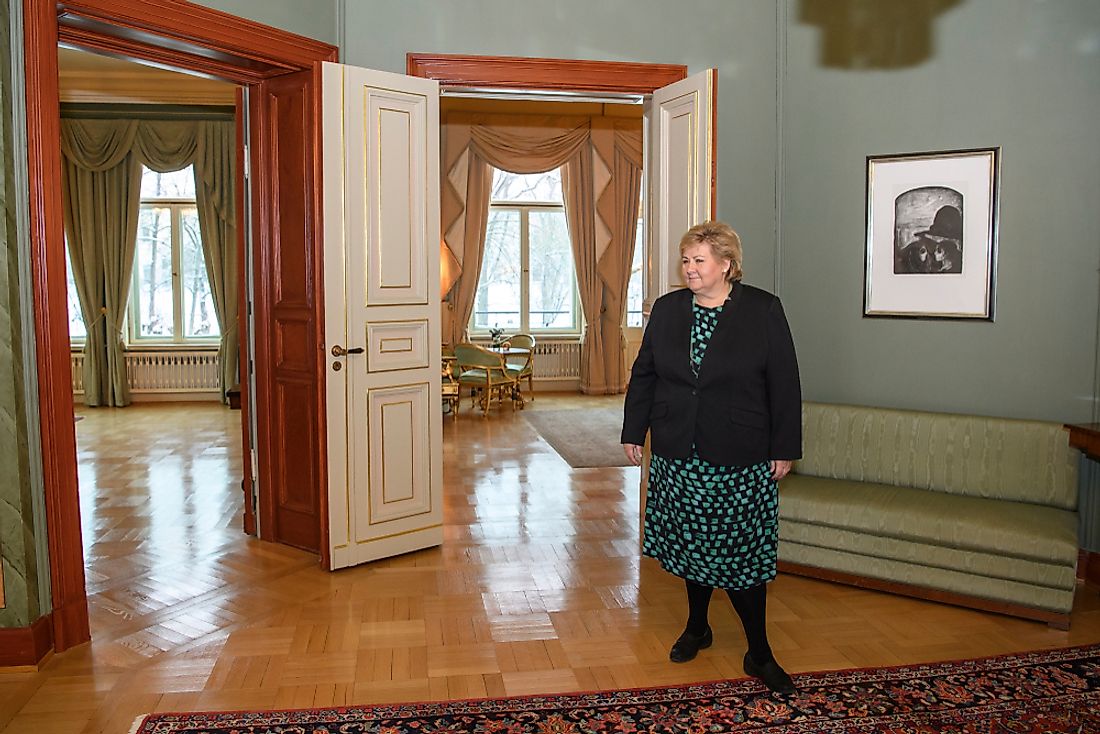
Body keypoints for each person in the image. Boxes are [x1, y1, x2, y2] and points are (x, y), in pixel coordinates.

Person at [621, 221, 802, 695]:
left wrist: (784, 446)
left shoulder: (762, 310)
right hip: (680, 449)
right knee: (691, 547)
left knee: (739, 557)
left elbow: (784, 383)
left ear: (726, 264)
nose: (690, 269)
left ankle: (759, 652)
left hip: (739, 454)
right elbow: (646, 374)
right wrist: (633, 429)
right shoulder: (668, 309)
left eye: (699, 260)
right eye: (686, 260)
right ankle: (698, 627)